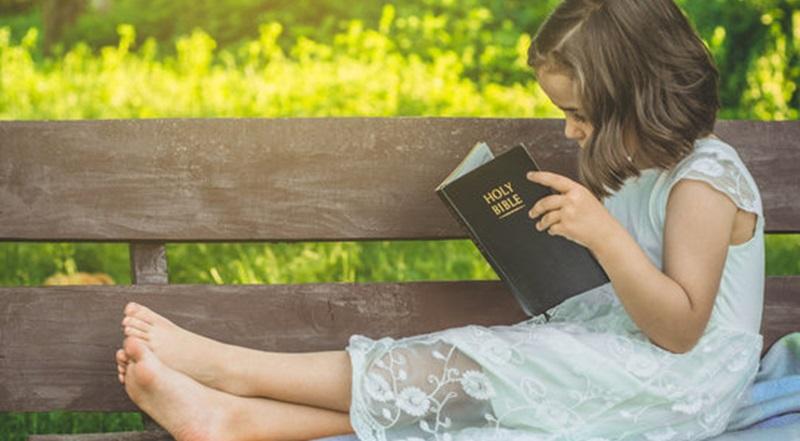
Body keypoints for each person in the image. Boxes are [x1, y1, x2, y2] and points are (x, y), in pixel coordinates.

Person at [114, 0, 766, 439]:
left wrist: (602, 233)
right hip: (620, 352)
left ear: (641, 95)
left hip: (683, 383)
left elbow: (680, 330)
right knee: (489, 380)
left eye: (582, 115)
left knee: (485, 361)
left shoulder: (705, 179)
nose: (569, 130)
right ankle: (236, 419)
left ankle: (232, 370)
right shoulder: (633, 166)